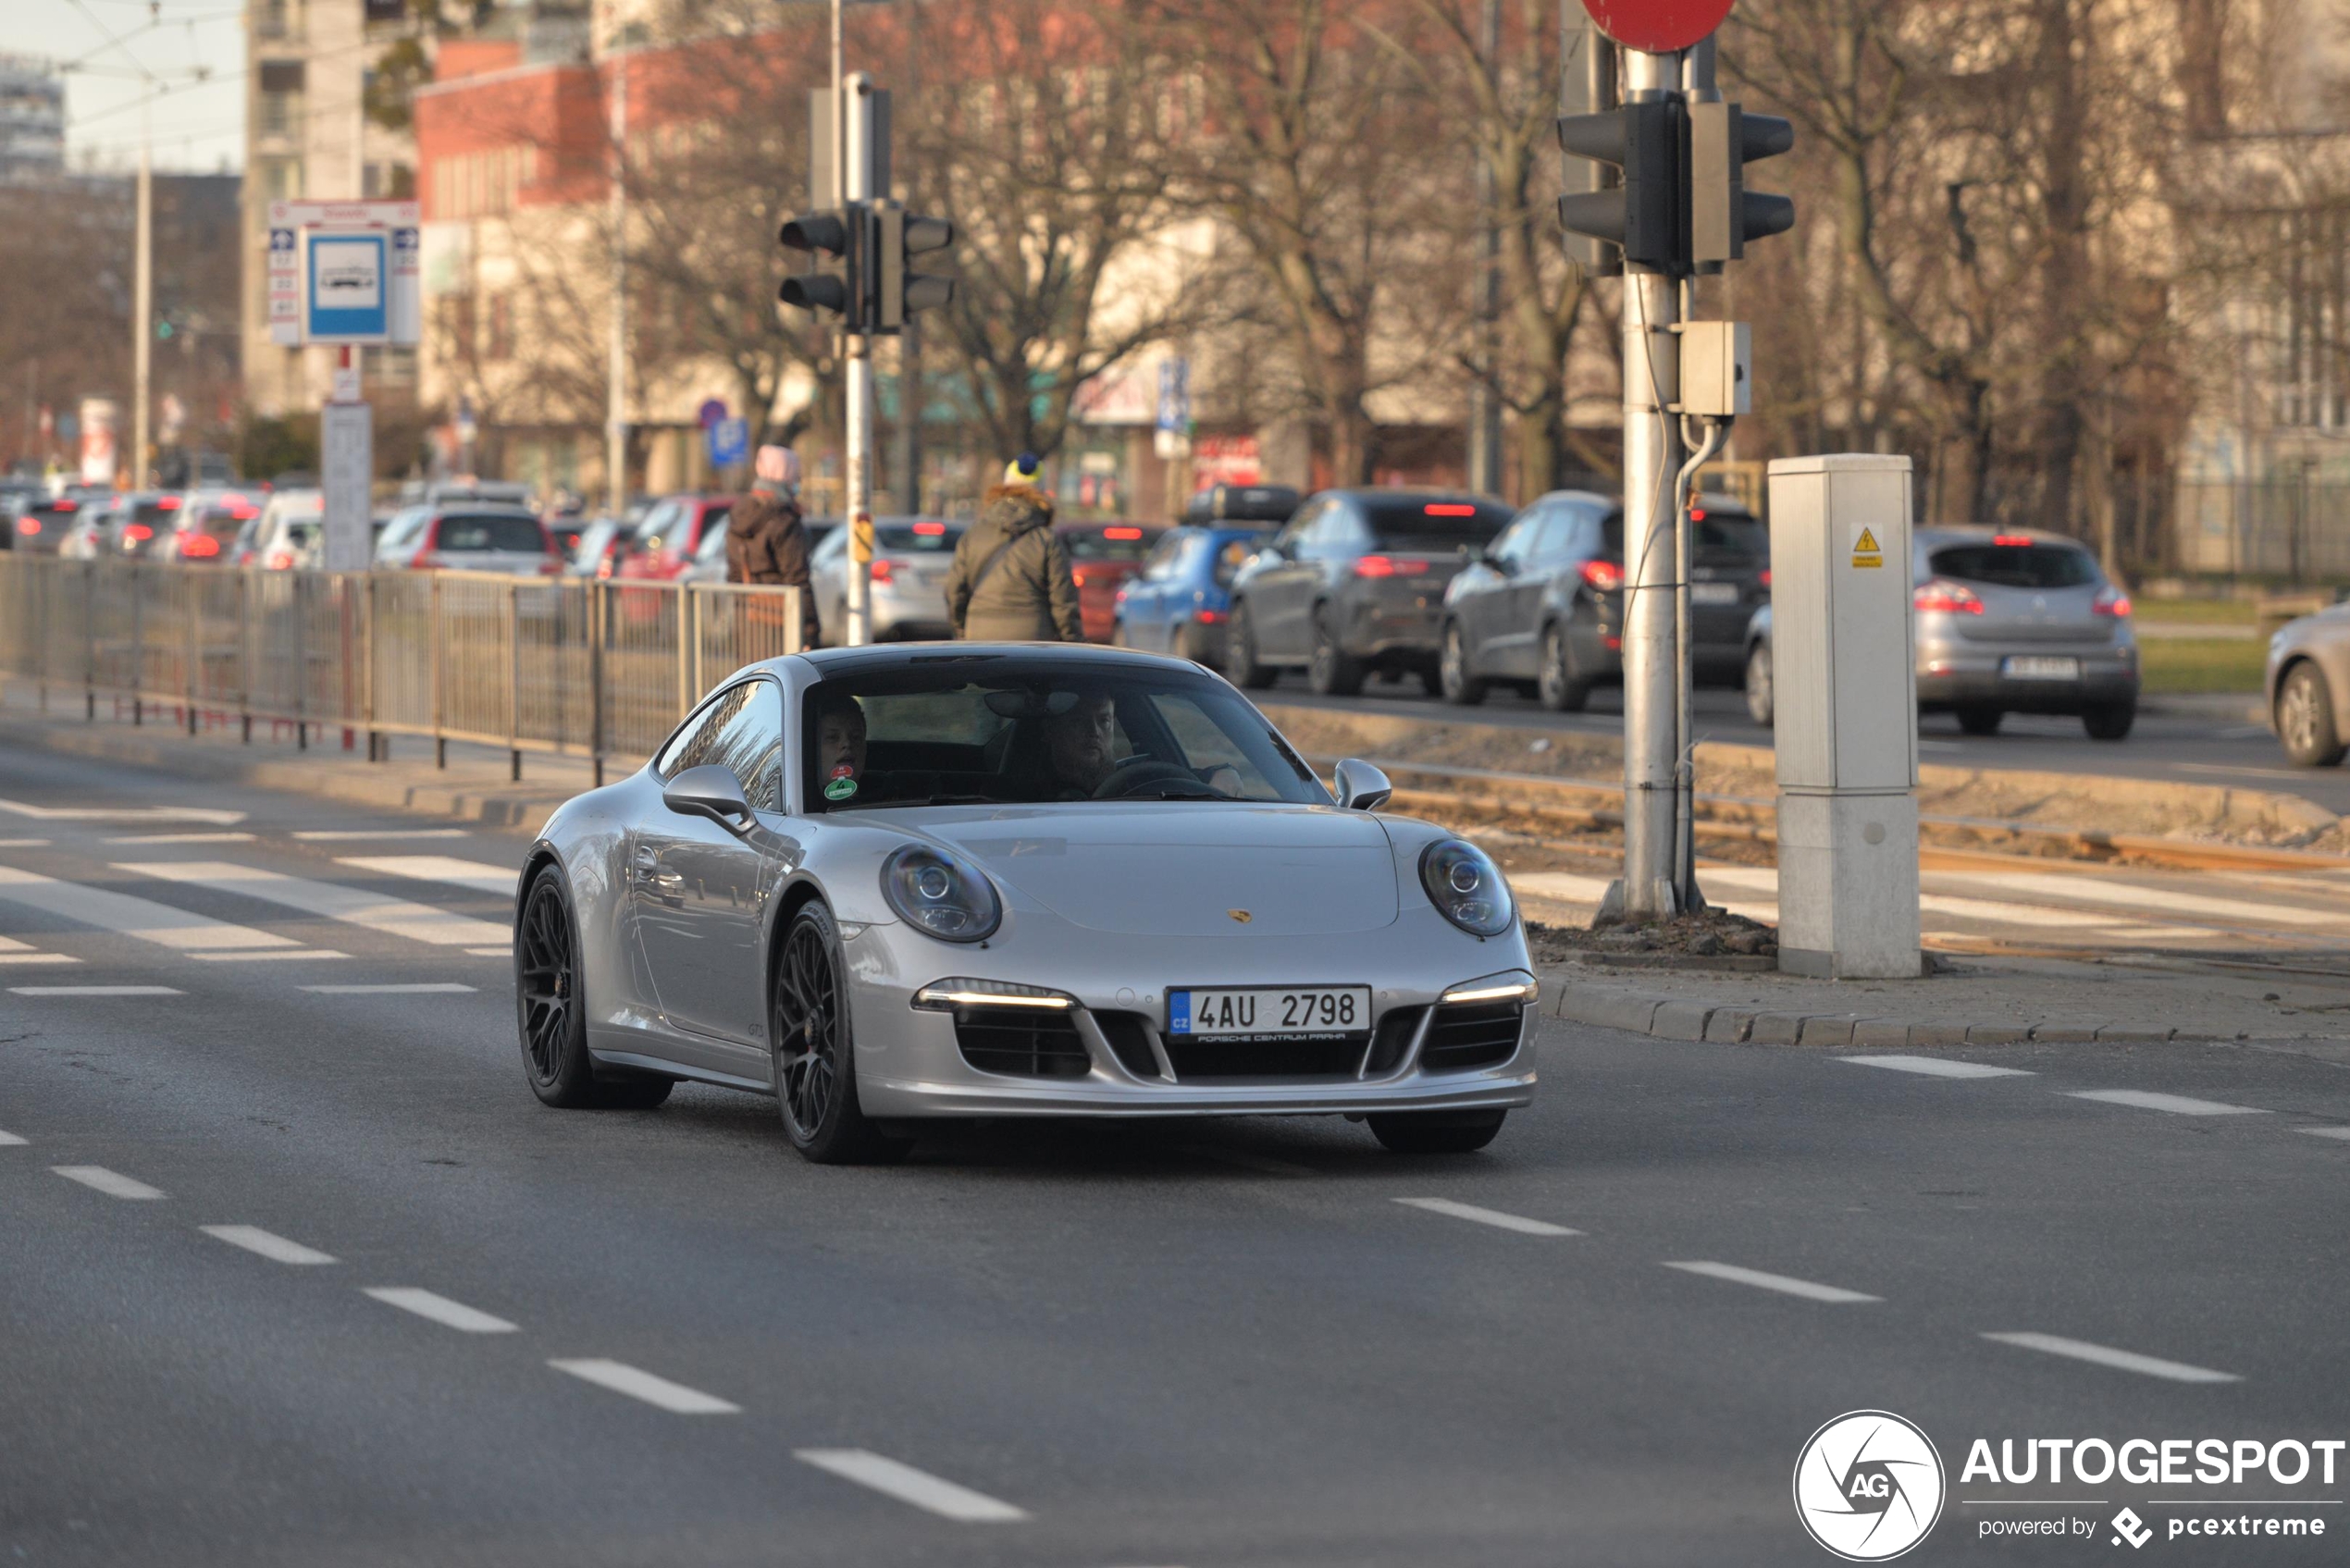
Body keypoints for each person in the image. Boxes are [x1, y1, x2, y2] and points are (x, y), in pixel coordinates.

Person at [946, 452, 1083, 643]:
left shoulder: (973, 535)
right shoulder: (1047, 540)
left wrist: (962, 632)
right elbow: (1063, 601)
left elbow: (954, 591)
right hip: (1032, 637)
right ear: (1041, 491)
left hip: (979, 633)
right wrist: (1073, 642)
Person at [727, 445, 821, 647]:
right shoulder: (784, 520)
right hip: (782, 623)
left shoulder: (739, 513)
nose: (798, 482)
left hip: (747, 621)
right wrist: (811, 631)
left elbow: (733, 573)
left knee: (753, 677)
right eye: (796, 475)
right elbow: (798, 578)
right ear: (786, 474)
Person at [1040, 690, 1118, 798]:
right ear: (1051, 729)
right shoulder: (1024, 795)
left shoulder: (1134, 786)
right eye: (1079, 720)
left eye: (1104, 720)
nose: (1094, 732)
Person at [812, 688, 867, 803]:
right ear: (813, 750)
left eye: (856, 737)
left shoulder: (892, 799)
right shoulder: (798, 801)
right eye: (832, 738)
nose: (847, 744)